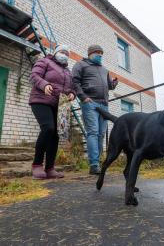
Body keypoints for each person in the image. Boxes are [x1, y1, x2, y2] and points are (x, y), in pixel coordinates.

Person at [29, 44, 75, 179]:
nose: (64, 54)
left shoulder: (68, 72)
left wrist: (72, 93)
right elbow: (34, 75)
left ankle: (50, 168)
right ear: (55, 52)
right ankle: (37, 165)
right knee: (48, 128)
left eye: (67, 53)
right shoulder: (44, 61)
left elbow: (71, 87)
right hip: (41, 100)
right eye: (62, 52)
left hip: (59, 105)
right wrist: (44, 84)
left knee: (55, 134)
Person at [72, 45, 118, 175]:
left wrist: (113, 84)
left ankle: (97, 163)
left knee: (101, 134)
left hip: (104, 105)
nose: (100, 55)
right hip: (90, 103)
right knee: (93, 132)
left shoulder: (104, 69)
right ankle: (93, 164)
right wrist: (83, 97)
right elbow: (75, 81)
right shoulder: (81, 64)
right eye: (97, 53)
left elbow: (109, 86)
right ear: (90, 53)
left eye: (101, 53)